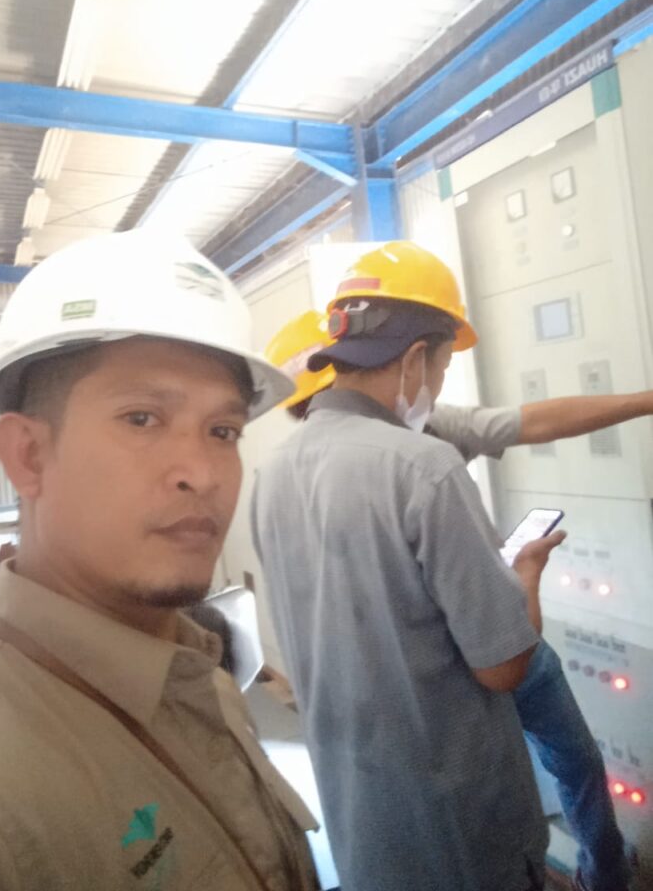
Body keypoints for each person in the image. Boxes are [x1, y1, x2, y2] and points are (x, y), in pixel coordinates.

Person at [0, 231, 321, 891]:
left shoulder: (198, 673)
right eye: (142, 419)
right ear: (28, 456)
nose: (202, 473)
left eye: (223, 431)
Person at [268, 299, 643, 891]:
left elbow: (533, 421)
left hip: (396, 746)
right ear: (416, 359)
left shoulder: (275, 473)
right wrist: (526, 575)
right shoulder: (422, 462)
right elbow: (505, 664)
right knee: (558, 771)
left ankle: (602, 868)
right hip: (477, 676)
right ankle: (605, 876)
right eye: (443, 366)